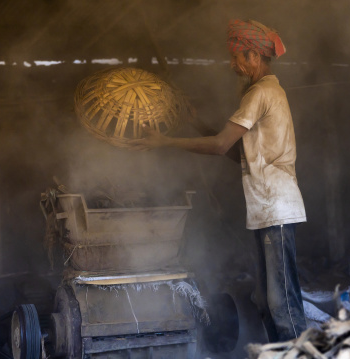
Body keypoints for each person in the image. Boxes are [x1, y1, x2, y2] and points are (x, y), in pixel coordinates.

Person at [130, 19, 307, 342]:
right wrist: (196, 123)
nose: (232, 64)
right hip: (267, 210)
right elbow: (236, 152)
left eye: (237, 56)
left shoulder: (261, 92)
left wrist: (165, 141)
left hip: (277, 209)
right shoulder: (266, 92)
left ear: (254, 56)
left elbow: (220, 145)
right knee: (266, 303)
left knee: (281, 303)